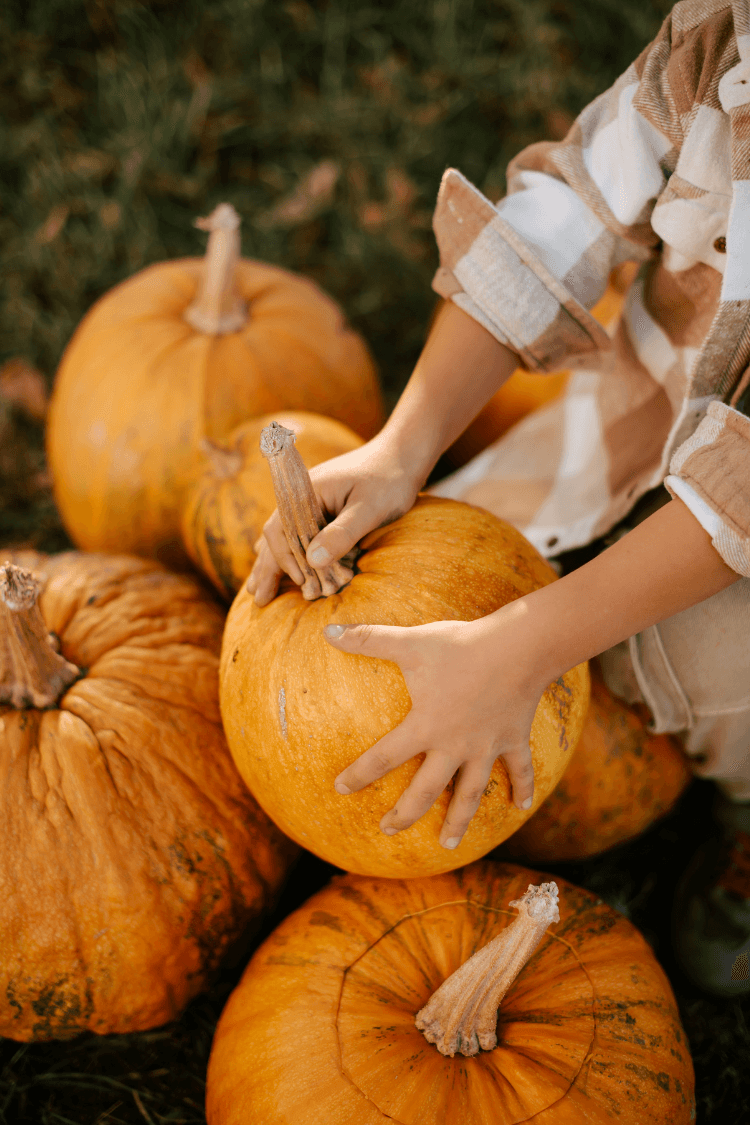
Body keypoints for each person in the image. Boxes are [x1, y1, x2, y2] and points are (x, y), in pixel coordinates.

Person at [249, 0, 750, 997]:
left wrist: (522, 648)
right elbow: (557, 222)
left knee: (696, 657)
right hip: (642, 421)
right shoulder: (713, 44)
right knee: (474, 556)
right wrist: (404, 446)